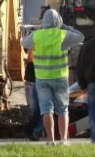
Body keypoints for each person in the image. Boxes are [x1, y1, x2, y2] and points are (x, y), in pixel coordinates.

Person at [21, 9, 83, 145]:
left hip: (42, 78)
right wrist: (64, 26)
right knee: (63, 110)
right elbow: (80, 36)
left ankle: (50, 139)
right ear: (58, 21)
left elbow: (24, 43)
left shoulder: (37, 36)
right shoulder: (63, 35)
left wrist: (37, 31)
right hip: (60, 77)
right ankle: (64, 140)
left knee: (46, 109)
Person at [23, 49, 44, 141]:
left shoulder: (36, 45)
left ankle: (35, 131)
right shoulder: (36, 47)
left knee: (39, 109)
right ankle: (35, 131)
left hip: (37, 81)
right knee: (39, 109)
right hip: (37, 81)